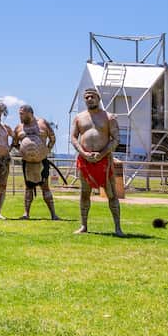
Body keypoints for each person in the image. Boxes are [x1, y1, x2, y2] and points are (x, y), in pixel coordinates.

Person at [70, 88, 123, 236]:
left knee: (111, 194)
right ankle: (83, 225)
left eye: (92, 96)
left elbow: (116, 139)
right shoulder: (79, 118)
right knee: (84, 193)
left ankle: (118, 228)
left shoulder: (109, 117)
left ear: (98, 98)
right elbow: (74, 138)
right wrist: (84, 153)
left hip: (104, 161)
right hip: (85, 160)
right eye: (86, 97)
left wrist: (102, 154)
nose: (89, 99)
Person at [14, 104, 60, 221]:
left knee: (45, 187)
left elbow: (52, 138)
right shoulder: (19, 128)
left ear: (30, 113)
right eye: (19, 113)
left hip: (41, 161)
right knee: (28, 188)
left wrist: (47, 150)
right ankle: (26, 214)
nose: (20, 116)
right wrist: (23, 151)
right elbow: (15, 143)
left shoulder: (42, 123)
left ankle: (53, 215)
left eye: (21, 113)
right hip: (27, 162)